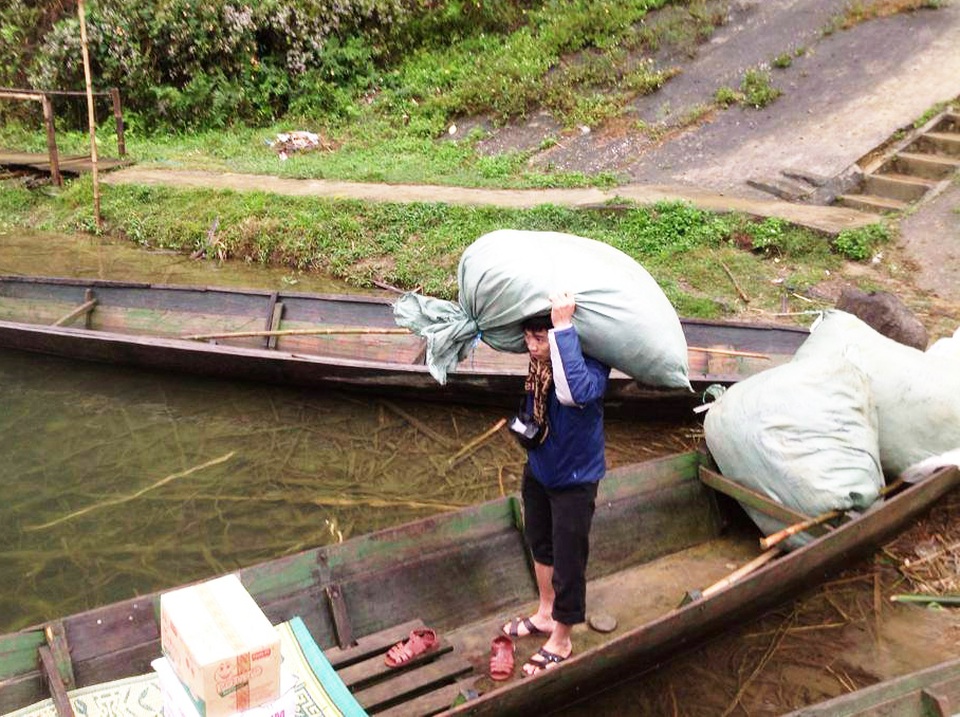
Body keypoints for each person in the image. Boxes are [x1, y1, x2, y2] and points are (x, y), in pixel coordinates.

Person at [501, 291, 610, 676]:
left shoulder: (592, 365)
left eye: (539, 338)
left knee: (568, 558)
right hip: (541, 469)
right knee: (540, 542)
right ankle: (546, 614)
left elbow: (574, 392)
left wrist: (562, 327)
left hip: (575, 478)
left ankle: (562, 639)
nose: (531, 348)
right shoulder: (539, 366)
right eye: (527, 339)